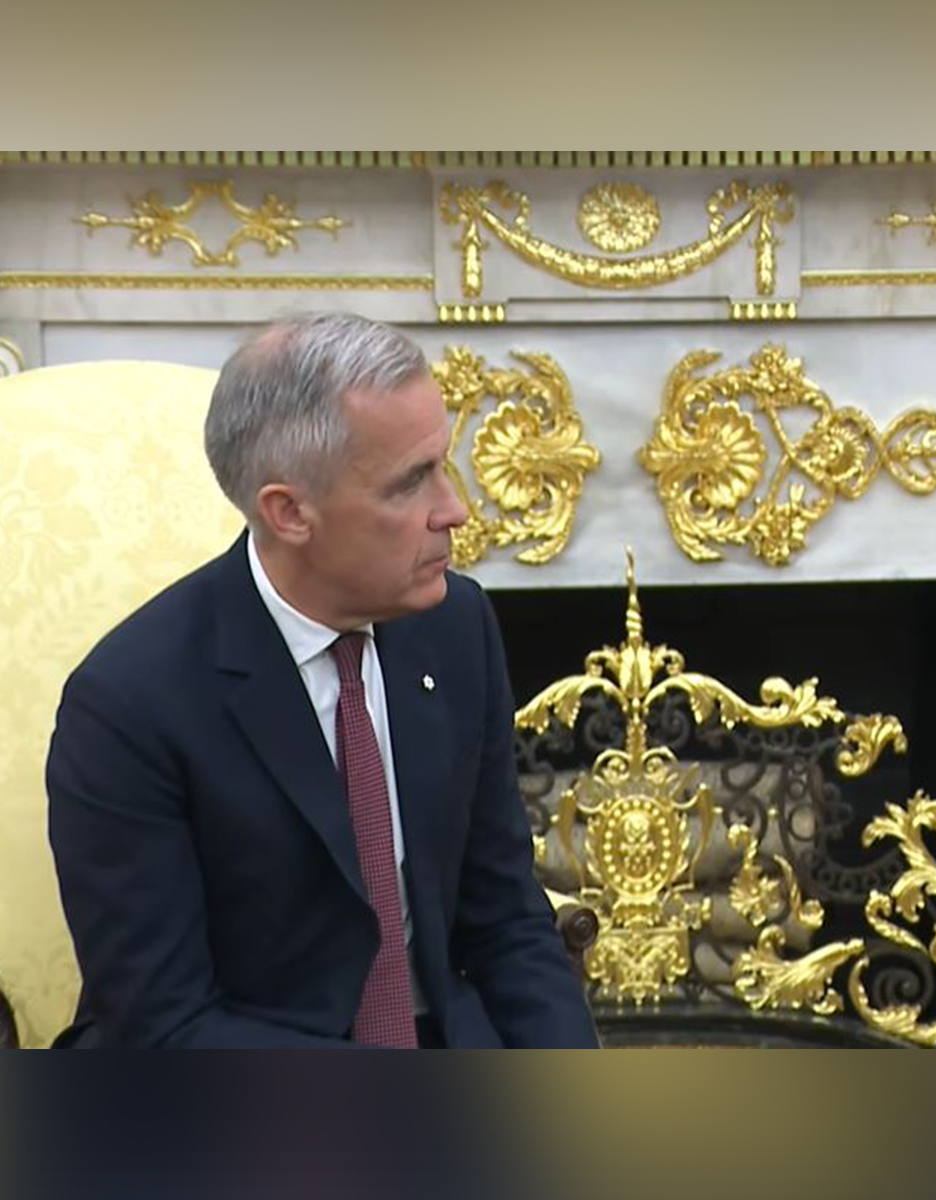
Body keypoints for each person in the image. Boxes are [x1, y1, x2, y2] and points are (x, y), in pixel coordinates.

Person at [46, 312, 598, 1048]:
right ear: (289, 512)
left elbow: (506, 920)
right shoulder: (128, 705)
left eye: (443, 464)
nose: (454, 510)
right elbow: (164, 1022)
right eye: (410, 484)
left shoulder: (455, 627)